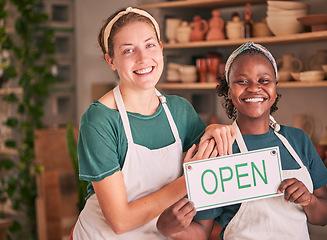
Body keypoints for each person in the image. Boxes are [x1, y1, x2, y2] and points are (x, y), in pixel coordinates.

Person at [71, 7, 236, 239]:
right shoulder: (100, 120)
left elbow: (210, 171)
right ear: (111, 61)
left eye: (149, 45)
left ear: (161, 48)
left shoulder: (180, 110)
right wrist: (187, 182)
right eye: (128, 50)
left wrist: (213, 131)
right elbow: (120, 221)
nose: (143, 58)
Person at [156, 41, 327, 240]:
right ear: (229, 91)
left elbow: (324, 216)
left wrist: (310, 201)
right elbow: (202, 232)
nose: (254, 88)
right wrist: (169, 229)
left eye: (264, 80)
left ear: (275, 89)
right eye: (242, 81)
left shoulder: (298, 140)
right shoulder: (218, 150)